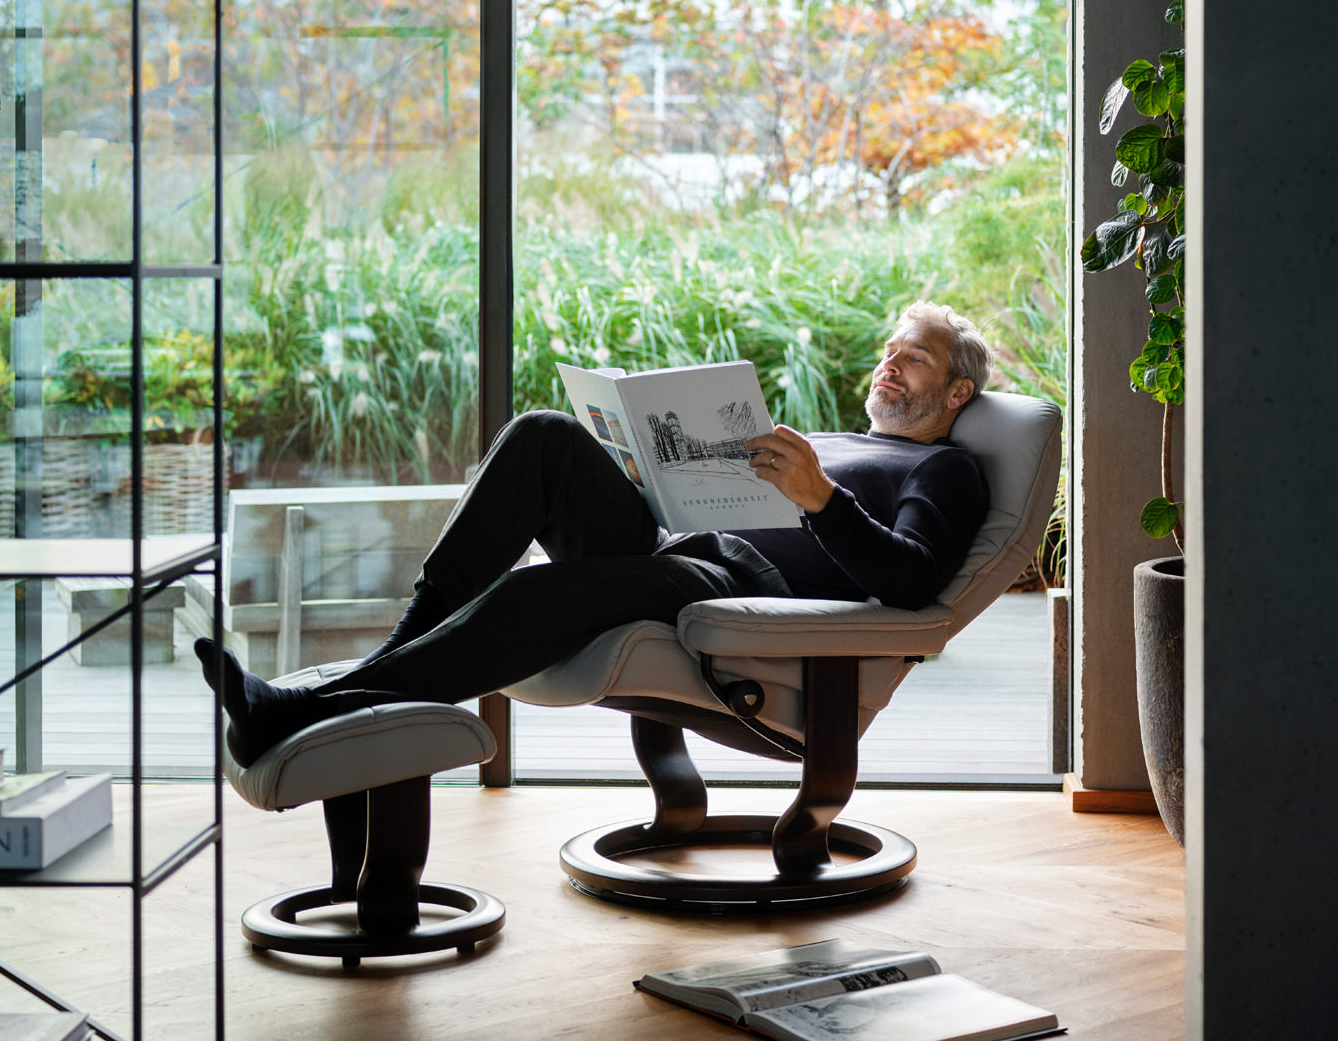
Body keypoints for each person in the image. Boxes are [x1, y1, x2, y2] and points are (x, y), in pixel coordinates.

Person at [197, 299, 991, 768]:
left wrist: (819, 497)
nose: (890, 365)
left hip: (747, 597)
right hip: (683, 548)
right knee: (544, 437)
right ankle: (385, 663)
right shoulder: (840, 439)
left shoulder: (945, 471)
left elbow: (914, 582)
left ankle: (307, 711)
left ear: (957, 392)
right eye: (889, 351)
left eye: (915, 359)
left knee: (536, 591)